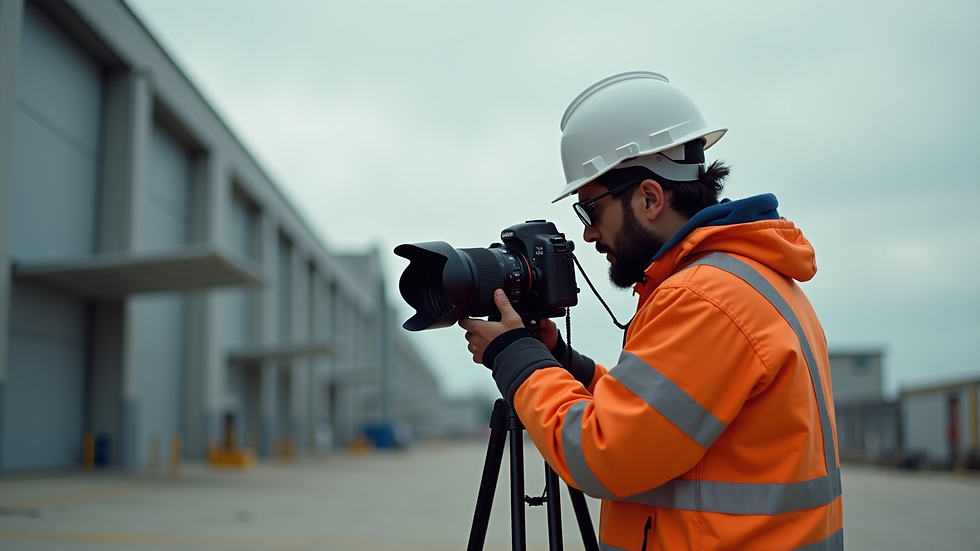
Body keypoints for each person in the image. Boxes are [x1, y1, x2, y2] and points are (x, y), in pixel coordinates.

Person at [458, 72, 843, 551]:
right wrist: (565, 364)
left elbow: (605, 454)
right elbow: (659, 420)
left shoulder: (706, 299)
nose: (587, 235)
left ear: (649, 198)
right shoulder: (750, 279)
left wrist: (514, 357)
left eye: (590, 211)